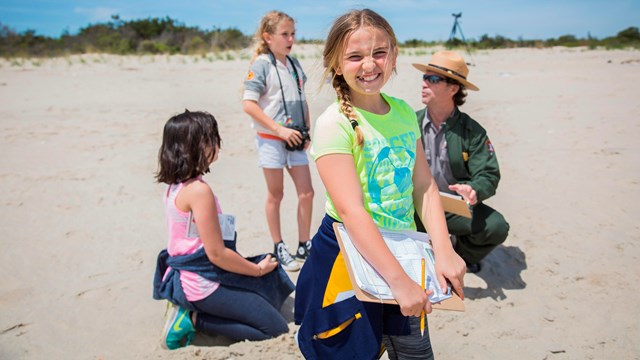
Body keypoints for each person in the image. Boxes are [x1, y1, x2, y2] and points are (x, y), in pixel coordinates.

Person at [293, 9, 466, 359]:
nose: (369, 65)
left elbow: (424, 187)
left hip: (405, 251)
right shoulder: (335, 124)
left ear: (394, 55)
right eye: (355, 56)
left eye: (379, 53)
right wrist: (398, 282)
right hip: (349, 259)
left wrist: (443, 249)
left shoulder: (403, 112)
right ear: (337, 64)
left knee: (415, 352)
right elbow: (351, 210)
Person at [152, 110, 294, 350]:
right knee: (275, 328)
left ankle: (196, 311)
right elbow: (216, 254)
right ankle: (194, 319)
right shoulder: (198, 191)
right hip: (201, 282)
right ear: (197, 147)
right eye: (212, 139)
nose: (218, 144)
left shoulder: (175, 187)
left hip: (189, 274)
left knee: (264, 298)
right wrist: (257, 270)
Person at [411, 50, 510, 273]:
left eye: (433, 79)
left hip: (456, 208)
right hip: (416, 205)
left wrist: (474, 190)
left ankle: (462, 253)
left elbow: (488, 175)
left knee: (496, 227)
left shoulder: (472, 132)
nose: (425, 83)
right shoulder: (409, 123)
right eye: (424, 77)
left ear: (453, 88)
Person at [242, 11, 314, 272]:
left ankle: (304, 244)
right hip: (271, 139)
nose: (291, 39)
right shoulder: (261, 64)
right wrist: (279, 130)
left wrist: (307, 130)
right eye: (285, 34)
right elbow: (248, 104)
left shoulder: (294, 65)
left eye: (293, 33)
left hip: (295, 139)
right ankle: (279, 245)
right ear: (268, 37)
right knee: (277, 194)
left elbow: (302, 100)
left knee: (307, 193)